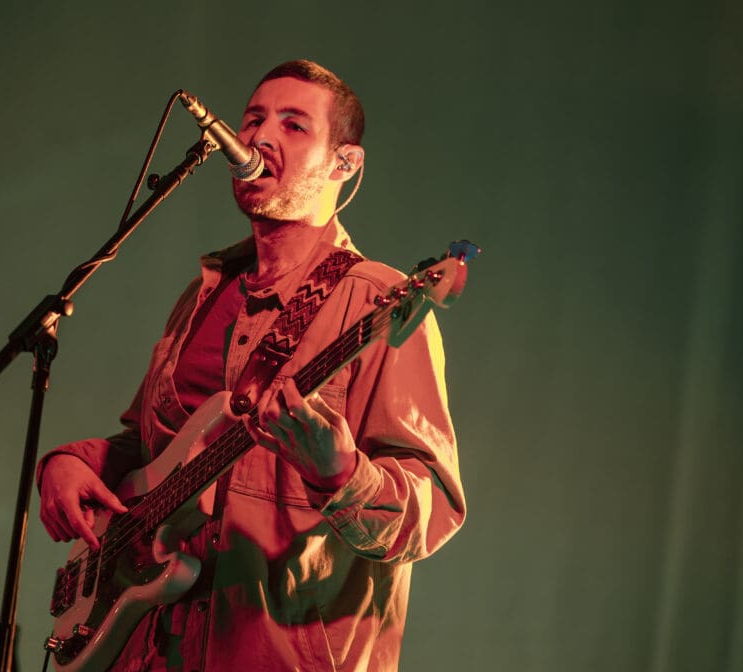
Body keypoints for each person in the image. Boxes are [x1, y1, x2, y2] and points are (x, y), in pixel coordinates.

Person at [37, 59, 466, 672]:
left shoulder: (376, 301)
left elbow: (433, 509)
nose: (261, 137)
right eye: (254, 120)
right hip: (150, 651)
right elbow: (148, 448)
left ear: (344, 164)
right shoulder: (203, 295)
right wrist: (73, 462)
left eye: (294, 125)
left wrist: (342, 474)